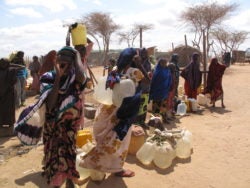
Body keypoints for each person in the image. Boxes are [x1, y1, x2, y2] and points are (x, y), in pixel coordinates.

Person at [14, 46, 87, 187]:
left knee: (69, 150)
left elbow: (82, 78)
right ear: (56, 62)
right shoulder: (48, 78)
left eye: (67, 63)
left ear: (73, 64)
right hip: (53, 126)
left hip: (70, 125)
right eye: (60, 62)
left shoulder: (75, 77)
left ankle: (70, 178)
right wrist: (58, 78)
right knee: (53, 153)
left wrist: (77, 55)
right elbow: (52, 104)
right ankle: (55, 180)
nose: (63, 65)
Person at [79, 75, 140, 179]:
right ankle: (114, 168)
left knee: (110, 142)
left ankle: (113, 168)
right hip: (117, 112)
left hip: (109, 110)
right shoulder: (127, 77)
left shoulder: (115, 76)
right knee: (117, 143)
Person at [149, 58, 172, 123]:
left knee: (163, 106)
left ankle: (164, 119)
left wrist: (169, 87)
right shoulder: (157, 71)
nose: (165, 64)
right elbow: (153, 81)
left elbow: (170, 79)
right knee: (156, 107)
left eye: (165, 63)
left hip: (164, 91)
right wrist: (151, 90)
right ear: (160, 63)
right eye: (163, 63)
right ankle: (155, 121)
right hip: (157, 92)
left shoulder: (167, 70)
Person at [0, 58, 18, 135]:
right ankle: (10, 125)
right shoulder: (12, 70)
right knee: (9, 110)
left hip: (4, 95)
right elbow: (14, 81)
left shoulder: (11, 70)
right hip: (9, 94)